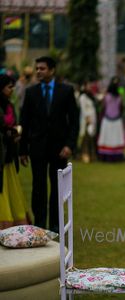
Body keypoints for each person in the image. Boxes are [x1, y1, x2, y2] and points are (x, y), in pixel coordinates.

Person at [19, 56, 79, 232]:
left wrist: (69, 145)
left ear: (52, 70)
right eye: (37, 68)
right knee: (38, 188)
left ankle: (55, 224)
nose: (38, 71)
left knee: (57, 188)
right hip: (37, 148)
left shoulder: (66, 91)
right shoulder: (31, 93)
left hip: (59, 149)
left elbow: (74, 121)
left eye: (42, 68)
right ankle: (39, 224)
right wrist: (23, 150)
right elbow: (25, 122)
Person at [0, 74, 31, 229]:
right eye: (9, 87)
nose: (12, 89)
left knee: (11, 190)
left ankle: (15, 228)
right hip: (1, 155)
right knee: (2, 191)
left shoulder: (10, 106)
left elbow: (15, 123)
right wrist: (9, 133)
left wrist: (16, 134)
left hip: (9, 157)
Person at [97, 77, 125, 161]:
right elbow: (122, 108)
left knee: (108, 139)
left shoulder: (107, 96)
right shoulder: (119, 97)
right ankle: (116, 156)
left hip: (108, 119)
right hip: (115, 120)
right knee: (115, 138)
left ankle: (106, 156)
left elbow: (102, 107)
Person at [78, 80, 97, 163]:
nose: (90, 87)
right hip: (87, 120)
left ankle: (91, 155)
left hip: (92, 120)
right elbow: (83, 109)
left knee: (91, 138)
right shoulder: (82, 97)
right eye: (88, 86)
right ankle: (84, 155)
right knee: (85, 138)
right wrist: (87, 118)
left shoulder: (90, 96)